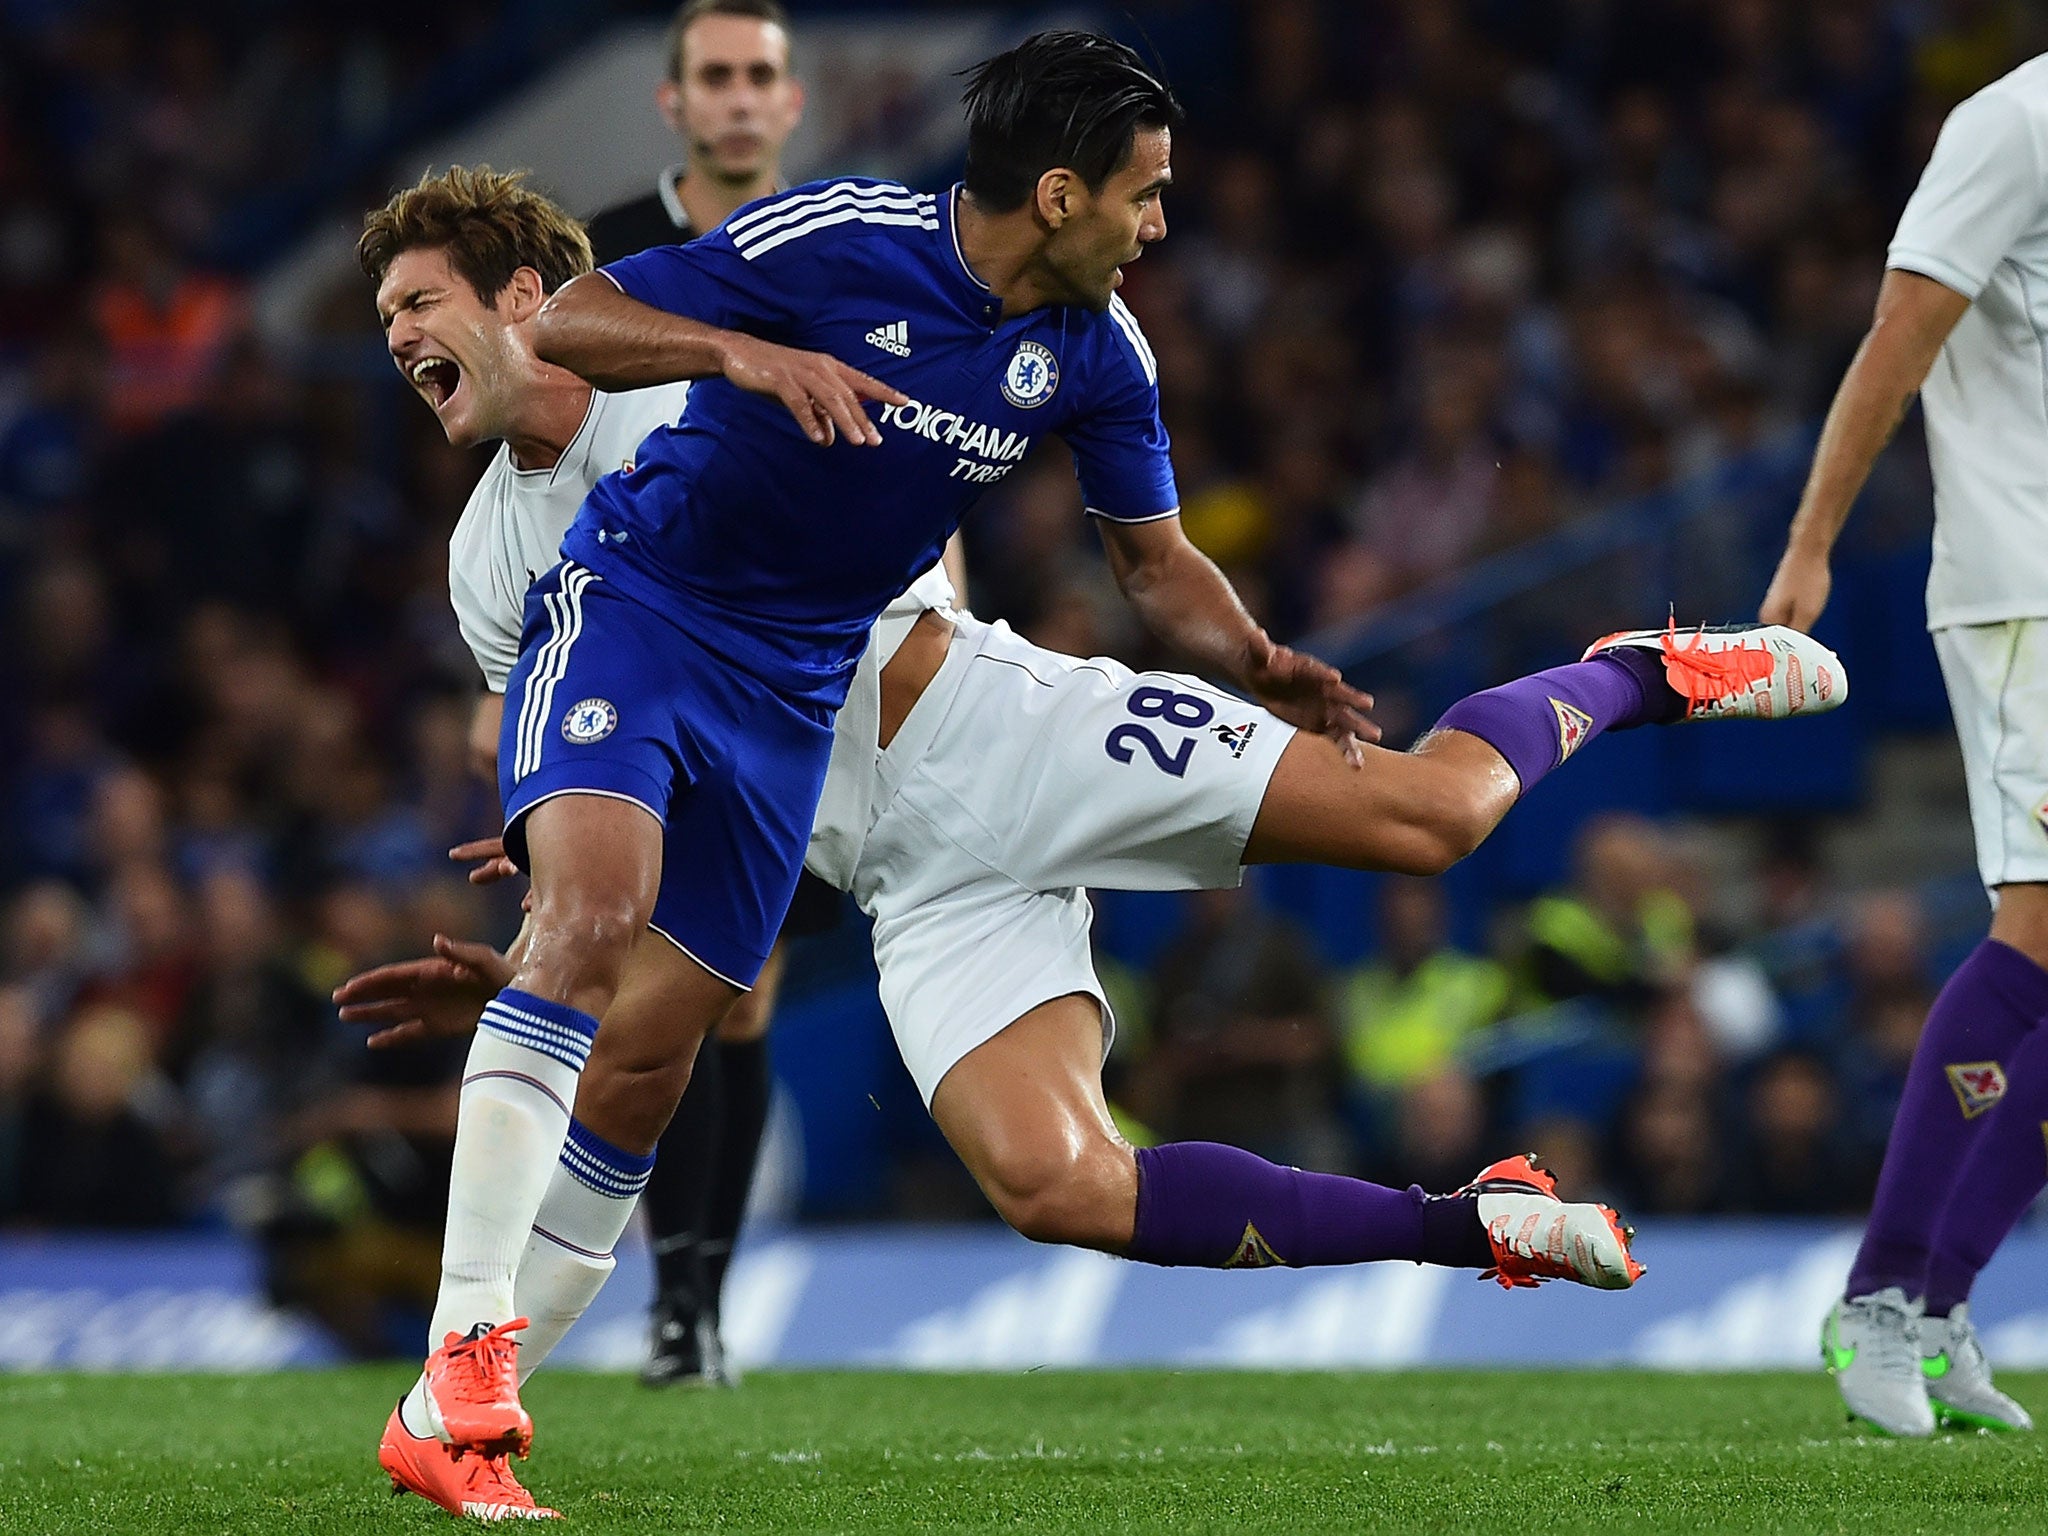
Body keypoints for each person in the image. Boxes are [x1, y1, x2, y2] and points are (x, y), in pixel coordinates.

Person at [350, 35, 1844, 1515]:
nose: (1163, 223)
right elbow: (606, 832)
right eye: (1149, 193)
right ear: (1064, 195)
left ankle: (1639, 672)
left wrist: (1256, 657)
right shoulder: (502, 564)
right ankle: (1473, 1225)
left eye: (421, 301)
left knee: (1431, 815)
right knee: (1055, 1183)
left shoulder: (849, 339)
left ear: (517, 304)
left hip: (980, 732)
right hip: (863, 849)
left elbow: (1152, 562)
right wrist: (542, 944)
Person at [1761, 53, 2048, 1439]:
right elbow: (1898, 335)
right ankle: (1881, 1298)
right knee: (2038, 928)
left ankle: (1933, 1302)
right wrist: (1811, 544)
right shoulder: (2011, 123)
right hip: (2024, 592)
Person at [588, 0, 811, 1392]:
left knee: (740, 996)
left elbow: (918, 442)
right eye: (715, 77)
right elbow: (526, 443)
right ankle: (678, 1306)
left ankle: (698, 1309)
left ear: (792, 100)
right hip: (639, 633)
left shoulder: (849, 247)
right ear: (673, 101)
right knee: (656, 985)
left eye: (761, 78)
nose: (739, 99)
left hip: (803, 650)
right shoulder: (606, 250)